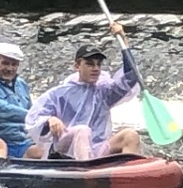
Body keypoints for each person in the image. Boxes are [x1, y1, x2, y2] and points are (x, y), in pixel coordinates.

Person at [25, 23, 141, 160]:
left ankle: (130, 170)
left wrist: (124, 40)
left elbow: (130, 77)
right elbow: (33, 118)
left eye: (98, 64)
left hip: (97, 149)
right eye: (90, 64)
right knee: (83, 130)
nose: (96, 68)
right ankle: (86, 170)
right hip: (65, 147)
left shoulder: (105, 92)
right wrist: (50, 119)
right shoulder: (59, 93)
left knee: (130, 135)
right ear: (77, 66)